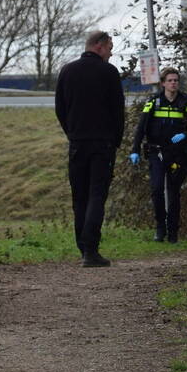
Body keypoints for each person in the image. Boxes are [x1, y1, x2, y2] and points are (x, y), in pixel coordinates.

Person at [55, 31, 125, 267]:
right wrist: (116, 140)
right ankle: (91, 249)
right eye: (110, 48)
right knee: (97, 194)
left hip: (77, 143)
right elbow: (117, 110)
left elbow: (60, 109)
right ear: (99, 46)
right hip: (102, 143)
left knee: (80, 196)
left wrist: (72, 133)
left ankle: (82, 247)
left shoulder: (67, 71)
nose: (111, 53)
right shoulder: (109, 72)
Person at [129, 67, 187, 243]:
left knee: (174, 192)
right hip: (157, 152)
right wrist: (135, 150)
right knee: (156, 189)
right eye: (170, 80)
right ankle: (160, 227)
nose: (173, 83)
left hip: (177, 153)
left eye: (176, 80)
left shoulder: (186, 101)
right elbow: (141, 127)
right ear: (163, 83)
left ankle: (173, 232)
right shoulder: (154, 101)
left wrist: (185, 134)